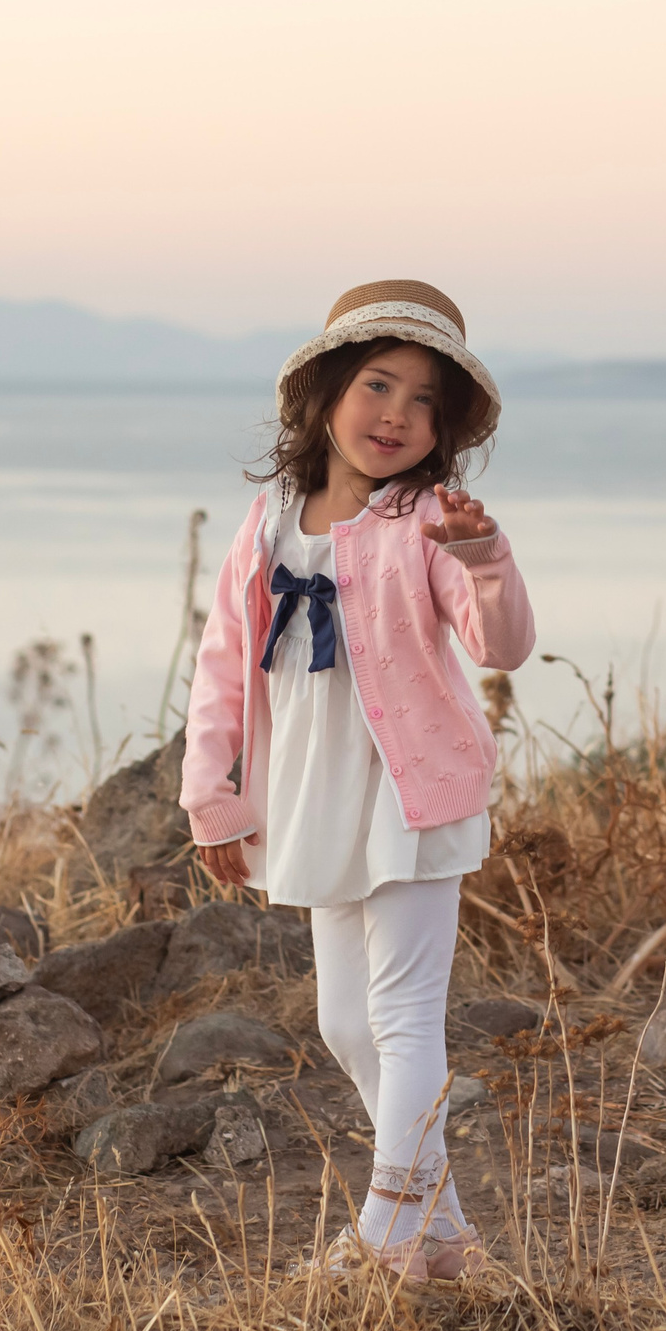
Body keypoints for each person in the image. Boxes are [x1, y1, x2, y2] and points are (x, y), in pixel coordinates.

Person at [179, 280, 536, 1280]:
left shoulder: (430, 518)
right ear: (327, 390)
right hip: (309, 794)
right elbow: (220, 668)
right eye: (379, 384)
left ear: (445, 427)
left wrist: (485, 556)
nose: (397, 414)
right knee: (344, 1021)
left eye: (425, 400)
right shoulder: (266, 522)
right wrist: (214, 799)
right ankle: (448, 1236)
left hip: (409, 788)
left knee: (404, 1014)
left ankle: (386, 1227)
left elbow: (499, 644)